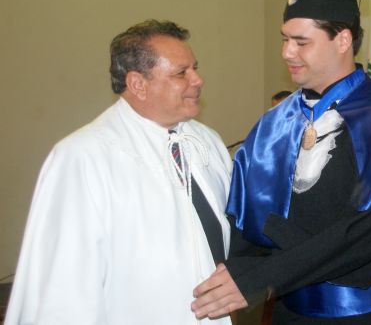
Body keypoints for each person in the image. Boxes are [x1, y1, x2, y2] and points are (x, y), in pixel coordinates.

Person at [191, 0, 371, 324]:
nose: (287, 52)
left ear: (342, 40)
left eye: (301, 42)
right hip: (291, 313)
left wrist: (261, 276)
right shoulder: (273, 125)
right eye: (285, 39)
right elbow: (246, 223)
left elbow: (369, 235)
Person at [5, 20, 233, 324]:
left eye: (195, 68)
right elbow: (63, 286)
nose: (198, 80)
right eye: (182, 73)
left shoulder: (205, 141)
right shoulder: (83, 157)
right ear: (137, 83)